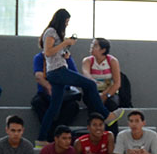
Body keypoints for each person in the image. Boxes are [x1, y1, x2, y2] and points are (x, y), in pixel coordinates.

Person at [36, 9, 107, 143]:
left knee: (53, 108)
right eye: (66, 21)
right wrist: (65, 43)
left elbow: (55, 52)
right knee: (90, 84)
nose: (67, 24)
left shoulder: (56, 33)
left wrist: (65, 53)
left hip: (57, 70)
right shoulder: (51, 32)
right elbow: (48, 51)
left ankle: (41, 138)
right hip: (57, 71)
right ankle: (106, 114)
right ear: (61, 20)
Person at [81, 37, 128, 116]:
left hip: (109, 92)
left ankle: (110, 126)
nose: (92, 46)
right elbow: (86, 73)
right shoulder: (87, 60)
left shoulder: (112, 61)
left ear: (103, 50)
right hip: (93, 92)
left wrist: (105, 95)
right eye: (92, 44)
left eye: (95, 45)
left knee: (111, 104)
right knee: (93, 103)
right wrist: (93, 83)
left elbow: (117, 83)